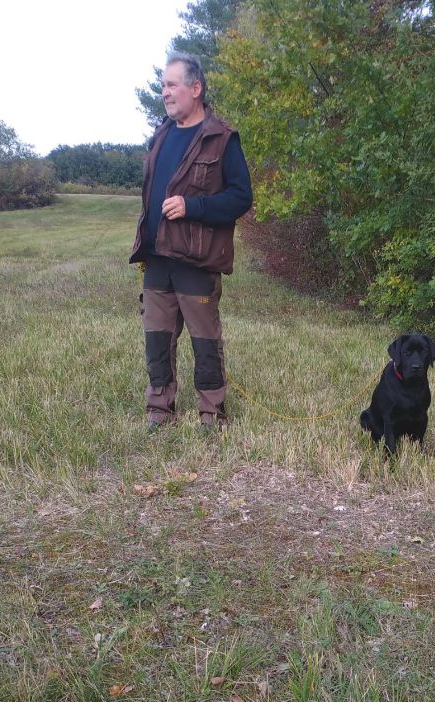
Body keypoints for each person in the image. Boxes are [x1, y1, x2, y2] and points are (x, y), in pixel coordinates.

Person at [130, 52, 253, 431]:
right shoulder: (162, 133)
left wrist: (192, 205)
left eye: (171, 85)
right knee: (157, 338)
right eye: (163, 86)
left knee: (204, 340)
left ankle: (211, 414)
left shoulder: (222, 139)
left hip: (196, 260)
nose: (164, 93)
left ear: (195, 88)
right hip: (157, 257)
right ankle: (159, 409)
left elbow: (240, 197)